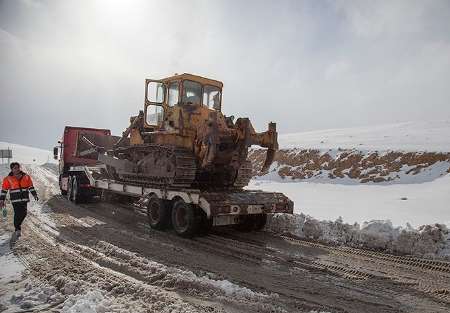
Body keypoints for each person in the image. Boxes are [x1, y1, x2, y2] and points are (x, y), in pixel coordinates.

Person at [0, 162, 38, 239]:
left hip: (24, 199)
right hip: (15, 200)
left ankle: (18, 225)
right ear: (12, 169)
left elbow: (30, 186)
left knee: (24, 213)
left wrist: (34, 194)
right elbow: (4, 190)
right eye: (15, 168)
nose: (17, 169)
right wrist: (2, 199)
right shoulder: (7, 179)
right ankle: (17, 228)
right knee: (17, 213)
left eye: (18, 167)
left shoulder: (26, 176)